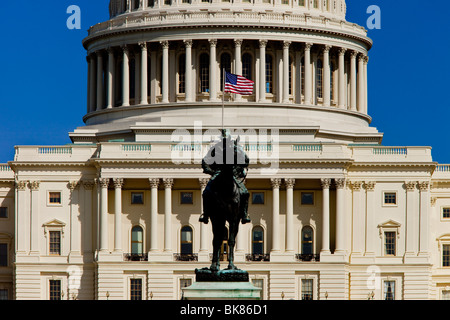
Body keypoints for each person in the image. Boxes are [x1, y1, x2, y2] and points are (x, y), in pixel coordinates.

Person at [199, 130, 251, 225]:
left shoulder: (235, 148)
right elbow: (205, 162)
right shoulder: (215, 148)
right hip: (217, 173)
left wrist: (239, 164)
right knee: (206, 192)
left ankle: (244, 214)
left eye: (227, 139)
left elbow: (246, 160)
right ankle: (205, 214)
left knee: (245, 192)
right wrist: (212, 171)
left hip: (233, 174)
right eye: (224, 139)